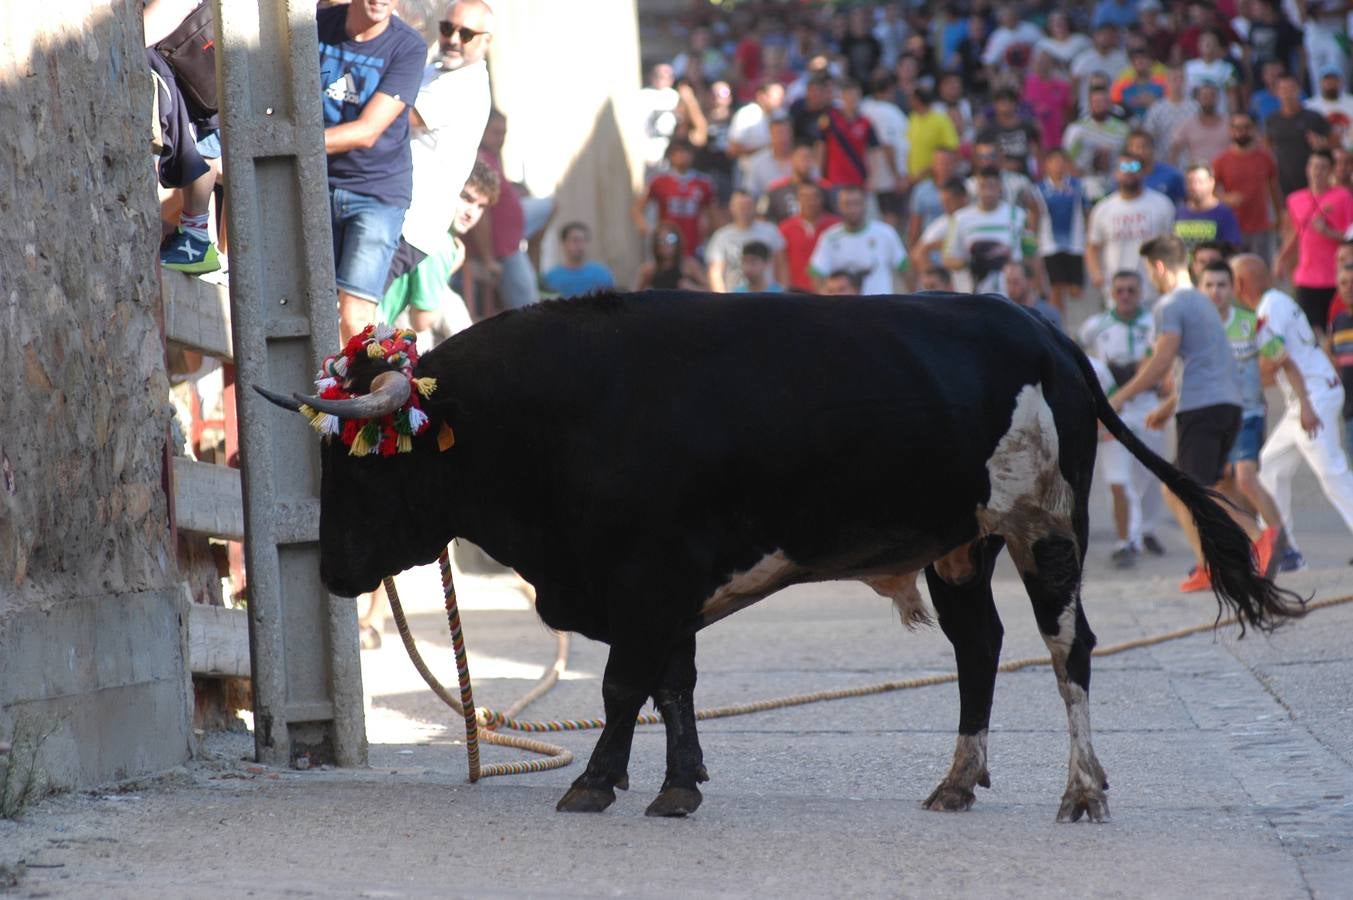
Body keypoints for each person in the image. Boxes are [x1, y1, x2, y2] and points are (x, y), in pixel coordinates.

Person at [1108, 236, 1253, 593]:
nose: (1151, 280)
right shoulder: (1202, 302)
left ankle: (1253, 543)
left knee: (1189, 493)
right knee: (1197, 488)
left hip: (1203, 409)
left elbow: (1161, 362)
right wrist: (1167, 406)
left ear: (1159, 267)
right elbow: (1205, 362)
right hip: (1223, 405)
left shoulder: (1169, 304)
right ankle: (1223, 557)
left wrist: (1117, 399)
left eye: (1148, 272)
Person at [1233, 254, 1353, 570]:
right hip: (1305, 398)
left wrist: (1241, 378)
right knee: (1269, 468)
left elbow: (1274, 358)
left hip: (1312, 397)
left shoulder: (1269, 308)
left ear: (1240, 283)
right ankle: (1285, 551)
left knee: (1332, 472)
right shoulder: (1276, 301)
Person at [317, 0, 426, 342]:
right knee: (302, 301)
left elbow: (367, 132)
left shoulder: (408, 46)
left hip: (376, 192)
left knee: (355, 315)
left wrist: (291, 144)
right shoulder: (316, 26)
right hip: (316, 181)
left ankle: (363, 394)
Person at [384, 0, 493, 323]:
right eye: (448, 28)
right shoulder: (438, 69)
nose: (454, 39)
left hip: (409, 224)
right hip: (395, 213)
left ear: (486, 40)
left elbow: (398, 117)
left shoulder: (466, 85)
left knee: (352, 314)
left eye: (467, 33)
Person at [1196, 259, 1307, 575]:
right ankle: (1254, 545)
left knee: (1245, 476)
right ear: (1200, 289)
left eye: (1222, 285)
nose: (1216, 292)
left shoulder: (1251, 323)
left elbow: (1284, 360)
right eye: (1209, 285)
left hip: (1248, 414)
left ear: (1233, 289)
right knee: (1218, 486)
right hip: (1214, 418)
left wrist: (1305, 404)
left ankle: (1284, 548)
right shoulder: (1196, 330)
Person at [1080, 270, 1168, 566]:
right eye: (1120, 290)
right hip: (1111, 405)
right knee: (1119, 478)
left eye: (1131, 289)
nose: (1126, 295)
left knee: (1150, 473)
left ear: (1140, 291)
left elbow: (1160, 360)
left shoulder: (1154, 323)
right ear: (1111, 293)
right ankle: (1127, 538)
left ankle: (1147, 529)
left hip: (1146, 404)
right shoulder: (1095, 327)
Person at [377, 159, 497, 341]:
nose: (471, 213)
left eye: (480, 206)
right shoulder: (439, 240)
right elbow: (421, 320)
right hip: (369, 322)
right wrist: (450, 268)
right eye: (466, 198)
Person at [1279, 150, 1353, 334]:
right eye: (1314, 166)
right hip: (1306, 278)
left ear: (1331, 171)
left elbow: (1350, 236)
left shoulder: (1343, 196)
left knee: (1338, 329)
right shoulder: (1295, 199)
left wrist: (1327, 231)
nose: (1317, 172)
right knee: (1310, 332)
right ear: (1307, 169)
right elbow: (1295, 234)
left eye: (1322, 167)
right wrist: (1281, 258)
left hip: (1336, 278)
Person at [1085, 153, 1176, 297]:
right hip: (1116, 291)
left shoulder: (1162, 204)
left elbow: (1171, 245)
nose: (1128, 171)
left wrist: (1168, 276)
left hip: (1152, 290)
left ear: (1143, 171)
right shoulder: (1102, 209)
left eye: (1134, 166)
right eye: (1123, 167)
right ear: (1115, 173)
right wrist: (1096, 274)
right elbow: (1093, 246)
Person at [809, 184, 908, 295]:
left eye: (856, 203)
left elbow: (905, 268)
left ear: (864, 204)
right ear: (839, 206)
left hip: (879, 306)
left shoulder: (886, 233)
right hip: (845, 308)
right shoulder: (829, 237)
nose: (852, 209)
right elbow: (817, 273)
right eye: (847, 204)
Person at [1212, 111, 1284, 259]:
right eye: (1237, 128)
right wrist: (1226, 198)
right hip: (1232, 227)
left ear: (1253, 129)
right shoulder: (1220, 161)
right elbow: (1210, 192)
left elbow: (1274, 188)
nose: (1241, 132)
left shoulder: (1265, 157)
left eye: (1246, 127)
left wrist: (1279, 215)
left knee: (1260, 268)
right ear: (1230, 131)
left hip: (1260, 226)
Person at [943, 168, 1026, 294]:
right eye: (983, 186)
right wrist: (972, 263)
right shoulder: (960, 218)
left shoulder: (1018, 215)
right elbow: (947, 258)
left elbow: (1031, 255)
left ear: (1000, 188)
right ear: (976, 188)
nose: (987, 192)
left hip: (1008, 297)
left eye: (992, 186)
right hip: (971, 295)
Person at [632, 138, 716, 259]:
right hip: (667, 245)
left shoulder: (703, 183)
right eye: (678, 152)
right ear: (671, 156)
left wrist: (709, 236)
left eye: (686, 152)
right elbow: (638, 208)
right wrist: (646, 228)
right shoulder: (659, 181)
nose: (682, 156)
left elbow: (712, 214)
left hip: (693, 245)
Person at [1037, 147, 1089, 313]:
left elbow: (1086, 211)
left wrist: (1089, 236)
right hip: (1049, 244)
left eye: (1061, 161)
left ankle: (1076, 323)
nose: (1058, 165)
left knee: (1076, 290)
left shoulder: (1078, 186)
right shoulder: (1038, 189)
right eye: (1054, 162)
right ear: (1046, 165)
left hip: (1075, 243)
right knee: (1056, 287)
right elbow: (1034, 215)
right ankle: (1057, 323)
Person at [706, 189, 787, 292]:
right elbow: (715, 272)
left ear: (755, 206)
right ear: (732, 208)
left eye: (748, 206)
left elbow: (782, 264)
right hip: (733, 298)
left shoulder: (770, 231)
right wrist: (721, 298)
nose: (744, 210)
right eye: (740, 206)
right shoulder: (721, 236)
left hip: (768, 297)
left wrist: (783, 291)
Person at [860, 69, 911, 232]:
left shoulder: (865, 107)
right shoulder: (886, 112)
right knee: (891, 218)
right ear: (890, 88)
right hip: (888, 178)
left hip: (875, 176)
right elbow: (888, 146)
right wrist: (897, 176)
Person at [1267, 72, 1331, 197]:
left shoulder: (1314, 117)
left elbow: (1333, 145)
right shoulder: (1271, 121)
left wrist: (1323, 145)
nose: (1287, 94)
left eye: (1291, 88)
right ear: (1276, 92)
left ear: (1299, 90)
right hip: (1285, 183)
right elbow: (1268, 148)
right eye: (1283, 89)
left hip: (1314, 183)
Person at [1063, 86, 1131, 198]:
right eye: (1095, 101)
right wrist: (1079, 177)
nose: (1099, 105)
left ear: (1110, 104)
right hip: (1084, 184)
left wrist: (1121, 174)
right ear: (1089, 104)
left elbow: (1132, 163)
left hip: (1115, 185)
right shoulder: (1076, 129)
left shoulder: (1123, 130)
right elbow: (1065, 159)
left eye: (1103, 101)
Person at [913, 177, 973, 293]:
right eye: (943, 202)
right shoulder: (942, 224)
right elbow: (918, 252)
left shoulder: (975, 219)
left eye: (948, 202)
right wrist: (934, 279)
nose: (945, 207)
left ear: (963, 199)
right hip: (955, 287)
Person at [779, 182, 841, 292]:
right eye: (805, 196)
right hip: (795, 292)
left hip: (829, 292)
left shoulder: (836, 226)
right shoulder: (785, 228)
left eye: (815, 196)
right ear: (798, 199)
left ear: (822, 199)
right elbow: (781, 262)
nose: (810, 201)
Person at [818, 80, 879, 190]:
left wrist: (871, 177)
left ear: (859, 97)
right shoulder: (830, 119)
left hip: (858, 178)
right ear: (842, 97)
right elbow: (822, 146)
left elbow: (873, 152)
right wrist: (821, 174)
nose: (852, 99)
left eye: (855, 96)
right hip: (834, 179)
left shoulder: (866, 122)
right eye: (848, 95)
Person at [1173, 164, 1242, 252]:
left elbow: (1233, 247)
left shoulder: (1224, 214)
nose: (1195, 186)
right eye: (1190, 182)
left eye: (1200, 182)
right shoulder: (1179, 212)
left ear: (1211, 182)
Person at [979, 88, 1042, 175]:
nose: (1006, 106)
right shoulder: (988, 130)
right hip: (998, 177)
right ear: (995, 105)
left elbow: (1037, 151)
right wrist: (1003, 165)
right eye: (1002, 102)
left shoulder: (1027, 126)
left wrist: (1039, 173)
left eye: (1009, 102)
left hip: (1025, 175)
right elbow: (982, 157)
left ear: (1016, 104)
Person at [541, 222, 615, 297]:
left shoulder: (602, 274)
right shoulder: (551, 278)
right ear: (563, 243)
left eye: (583, 240)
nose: (580, 245)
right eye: (575, 240)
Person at [1142, 66, 1198, 162]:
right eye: (1174, 79)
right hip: (1162, 160)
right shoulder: (1156, 109)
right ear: (1166, 81)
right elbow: (1148, 135)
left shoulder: (1195, 107)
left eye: (1181, 78)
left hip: (1190, 161)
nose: (1177, 82)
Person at [1168, 82, 1230, 169]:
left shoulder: (1229, 123)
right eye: (1205, 96)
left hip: (1224, 174)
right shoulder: (1188, 124)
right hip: (1198, 177)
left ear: (1218, 98)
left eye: (1212, 96)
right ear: (1198, 99)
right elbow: (1174, 150)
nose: (1208, 99)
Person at [905, 87, 959, 180]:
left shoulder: (941, 120)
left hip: (933, 179)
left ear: (917, 100)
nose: (909, 101)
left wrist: (927, 172)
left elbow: (952, 150)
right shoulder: (913, 118)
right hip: (912, 179)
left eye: (912, 98)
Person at [1327, 266, 1353, 455]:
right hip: (1349, 412)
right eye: (1344, 283)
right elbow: (1332, 358)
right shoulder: (1338, 322)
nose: (1349, 288)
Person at [1182, 31, 1240, 115]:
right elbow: (1184, 93)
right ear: (1198, 45)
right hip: (1192, 116)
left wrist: (1232, 116)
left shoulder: (1228, 69)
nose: (1207, 44)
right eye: (1204, 42)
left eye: (1211, 42)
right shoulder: (1188, 67)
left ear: (1217, 46)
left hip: (1220, 115)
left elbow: (1232, 96)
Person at [636, 224, 707, 291]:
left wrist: (692, 287)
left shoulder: (688, 266)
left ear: (678, 242)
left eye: (671, 238)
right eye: (660, 240)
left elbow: (710, 290)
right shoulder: (649, 270)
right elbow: (635, 297)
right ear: (655, 245)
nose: (665, 244)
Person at [1125, 130, 1184, 204]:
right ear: (1128, 150)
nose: (1140, 151)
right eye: (1136, 147)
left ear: (1152, 149)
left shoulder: (1171, 175)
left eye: (1144, 146)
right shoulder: (1122, 177)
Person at [743, 117, 795, 200]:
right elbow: (750, 193)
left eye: (786, 133)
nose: (783, 138)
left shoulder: (802, 159)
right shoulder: (757, 162)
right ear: (770, 135)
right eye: (778, 133)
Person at [1001, 260, 1062, 329]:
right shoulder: (1002, 314)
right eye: (1008, 282)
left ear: (1030, 282)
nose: (1011, 288)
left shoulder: (1048, 314)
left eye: (1016, 282)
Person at [1306, 68, 1353, 151]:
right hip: (1321, 153)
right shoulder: (1309, 105)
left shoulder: (1351, 102)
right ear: (1320, 83)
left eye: (1334, 80)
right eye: (1327, 80)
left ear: (1341, 82)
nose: (1331, 83)